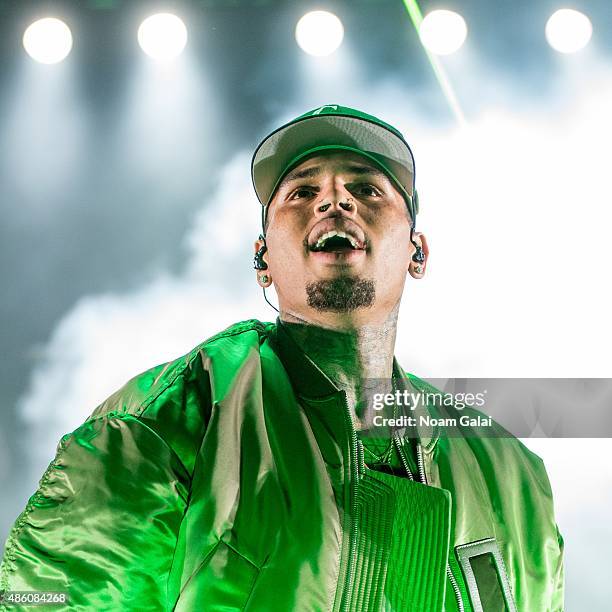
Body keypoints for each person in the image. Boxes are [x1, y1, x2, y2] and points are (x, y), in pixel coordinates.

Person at [0, 105, 563, 611]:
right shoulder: (171, 420)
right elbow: (45, 596)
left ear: (417, 252)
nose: (334, 200)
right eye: (300, 192)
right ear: (262, 259)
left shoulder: (506, 468)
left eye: (368, 190)